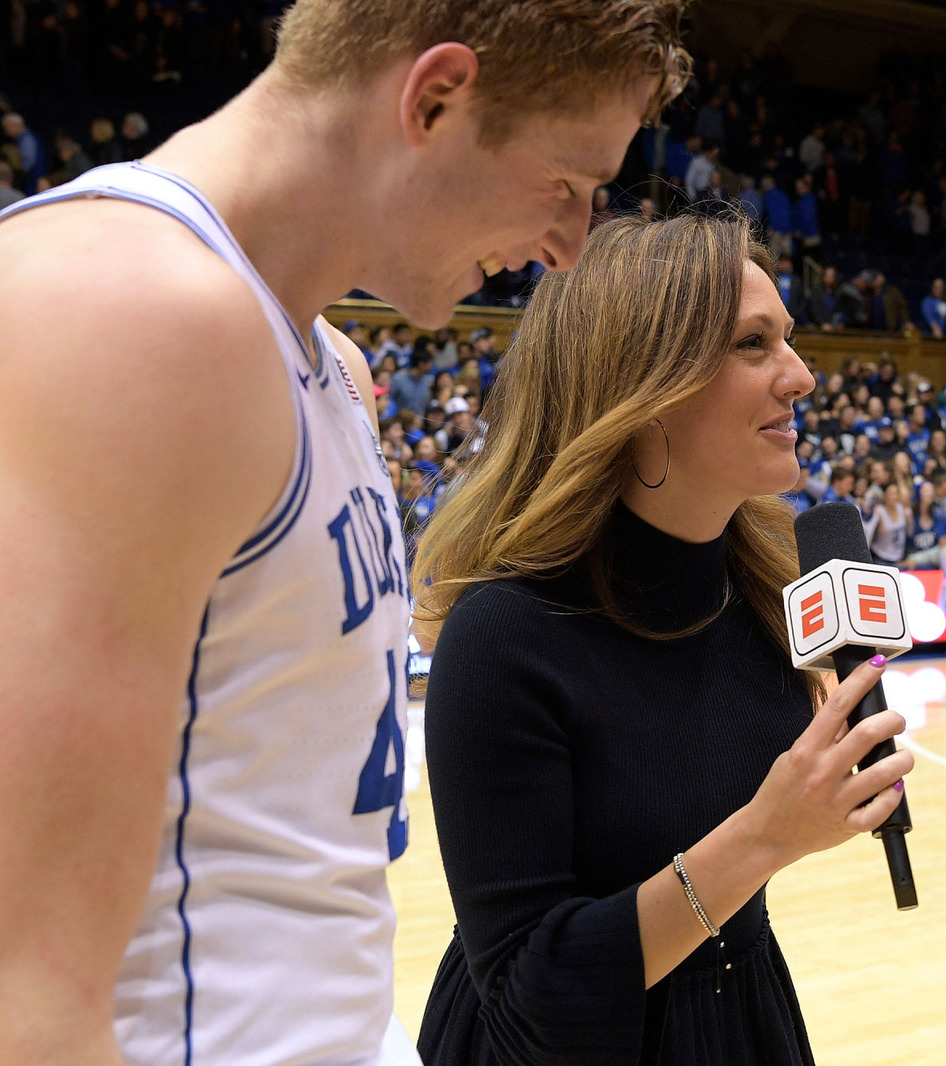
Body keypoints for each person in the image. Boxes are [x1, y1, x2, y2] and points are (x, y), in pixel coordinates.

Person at [0, 2, 688, 1063]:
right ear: (436, 100)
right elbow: (28, 1002)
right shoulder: (128, 311)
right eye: (567, 183)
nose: (568, 247)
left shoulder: (330, 365)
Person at [409, 214, 913, 1064]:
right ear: (644, 387)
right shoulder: (504, 637)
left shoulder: (765, 593)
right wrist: (765, 835)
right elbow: (531, 1004)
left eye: (788, 339)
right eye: (753, 345)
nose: (801, 376)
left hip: (742, 1018)